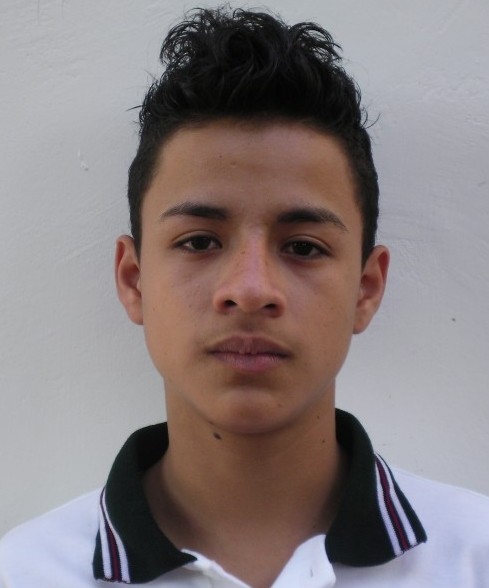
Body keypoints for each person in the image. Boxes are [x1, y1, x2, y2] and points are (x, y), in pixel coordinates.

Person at [1, 6, 488, 587]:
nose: (250, 290)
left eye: (303, 247)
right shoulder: (26, 571)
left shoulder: (473, 557)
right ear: (134, 280)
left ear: (366, 288)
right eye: (199, 241)